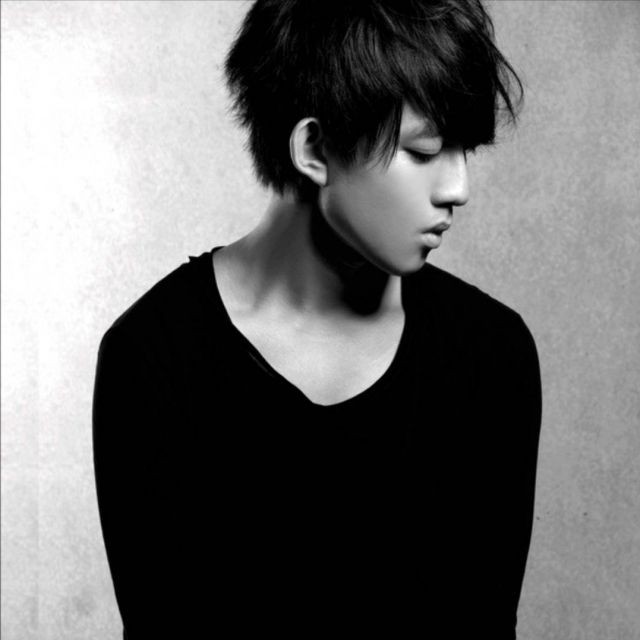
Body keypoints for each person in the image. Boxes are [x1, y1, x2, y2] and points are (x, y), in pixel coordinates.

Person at [92, 0, 543, 638]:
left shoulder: (490, 355)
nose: (458, 189)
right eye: (424, 151)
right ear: (314, 147)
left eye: (464, 150)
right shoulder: (154, 355)